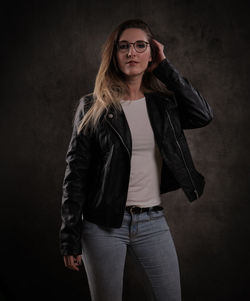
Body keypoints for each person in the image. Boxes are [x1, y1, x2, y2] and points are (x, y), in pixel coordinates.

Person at [59, 18, 213, 301]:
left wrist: (165, 67)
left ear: (151, 53)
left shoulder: (163, 105)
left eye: (141, 46)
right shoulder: (92, 107)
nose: (132, 53)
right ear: (114, 55)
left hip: (152, 222)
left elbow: (203, 115)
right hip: (102, 226)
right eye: (124, 47)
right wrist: (70, 237)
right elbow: (76, 174)